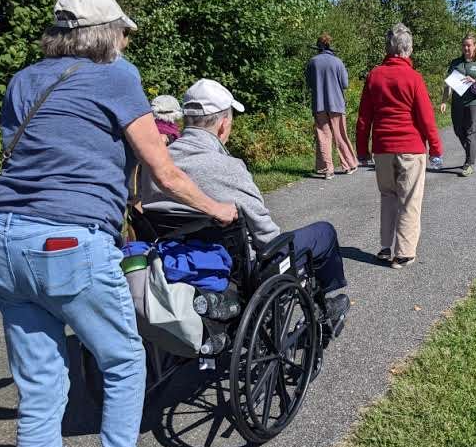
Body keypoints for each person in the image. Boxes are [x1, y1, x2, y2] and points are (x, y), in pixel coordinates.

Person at [0, 0, 237, 447]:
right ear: (107, 35)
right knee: (124, 361)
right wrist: (216, 208)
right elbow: (164, 172)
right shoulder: (116, 75)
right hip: (69, 240)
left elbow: (47, 152)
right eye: (124, 35)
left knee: (40, 380)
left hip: (7, 237)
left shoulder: (22, 81)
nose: (126, 44)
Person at [140, 79, 350, 314]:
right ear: (223, 124)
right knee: (324, 233)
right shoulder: (229, 168)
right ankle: (324, 310)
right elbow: (267, 237)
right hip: (239, 273)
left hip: (174, 262)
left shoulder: (157, 166)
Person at [356, 23, 443, 269]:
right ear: (408, 49)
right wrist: (436, 149)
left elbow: (364, 118)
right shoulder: (414, 78)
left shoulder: (374, 76)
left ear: (388, 48)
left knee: (388, 197)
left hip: (382, 149)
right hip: (410, 148)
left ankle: (385, 247)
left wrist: (361, 150)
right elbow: (426, 118)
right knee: (409, 200)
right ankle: (403, 253)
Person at [305, 33, 358, 179]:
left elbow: (309, 83)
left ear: (318, 47)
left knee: (323, 136)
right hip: (336, 103)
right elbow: (345, 84)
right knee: (340, 134)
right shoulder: (337, 62)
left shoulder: (312, 62)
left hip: (319, 104)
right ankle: (348, 165)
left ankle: (327, 169)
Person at [440, 33, 476, 177]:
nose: (466, 48)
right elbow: (448, 84)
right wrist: (444, 101)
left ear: (475, 46)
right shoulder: (455, 63)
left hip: (474, 104)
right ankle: (471, 151)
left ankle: (469, 163)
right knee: (459, 130)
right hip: (457, 103)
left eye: (469, 45)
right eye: (464, 45)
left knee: (471, 132)